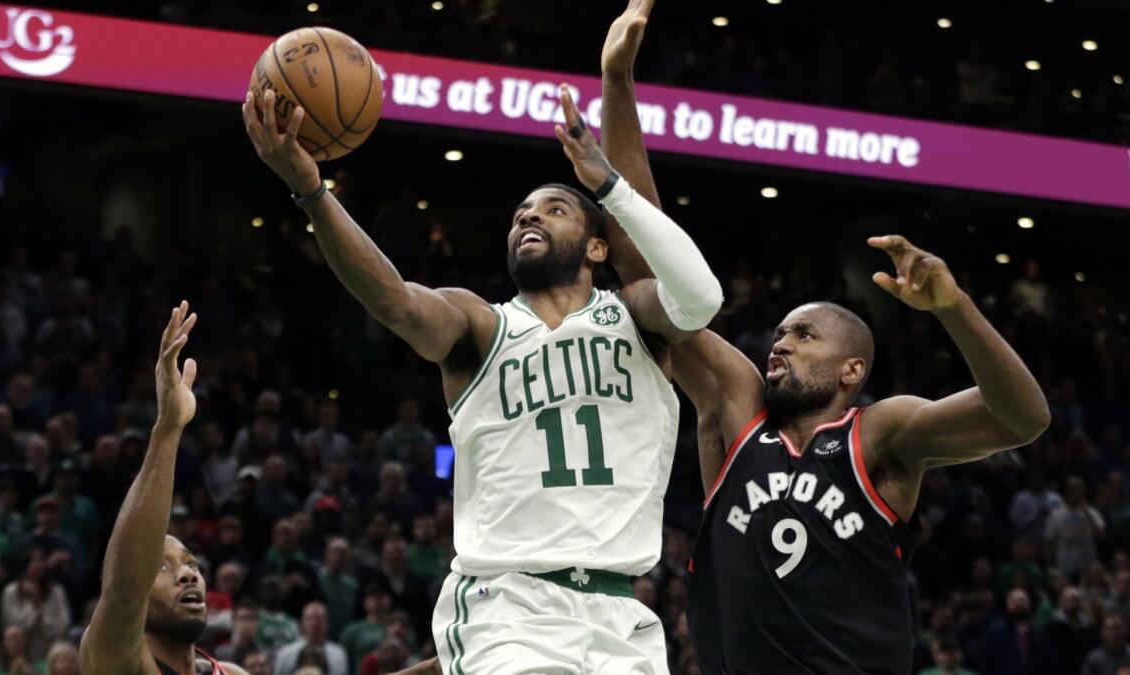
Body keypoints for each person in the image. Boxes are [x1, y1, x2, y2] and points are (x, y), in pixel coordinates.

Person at [243, 32, 722, 672]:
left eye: (553, 210)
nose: (530, 218)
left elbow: (702, 296)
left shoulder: (636, 317)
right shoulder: (480, 325)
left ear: (597, 247)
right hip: (508, 605)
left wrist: (608, 183)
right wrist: (312, 190)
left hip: (620, 614)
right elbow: (394, 301)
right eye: (522, 213)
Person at [596, 2, 1051, 672]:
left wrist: (953, 309)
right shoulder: (738, 405)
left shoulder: (880, 435)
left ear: (851, 371)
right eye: (779, 333)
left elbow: (1023, 417)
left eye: (803, 335)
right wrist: (618, 82)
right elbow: (649, 268)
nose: (778, 344)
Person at [79, 302, 248, 675]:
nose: (187, 575)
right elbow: (125, 591)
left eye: (191, 564)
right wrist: (168, 429)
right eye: (162, 567)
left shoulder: (230, 673)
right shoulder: (116, 658)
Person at [272, 601, 348, 675]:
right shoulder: (286, 654)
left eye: (319, 619)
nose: (314, 623)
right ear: (302, 623)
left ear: (327, 623)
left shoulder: (338, 655)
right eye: (309, 619)